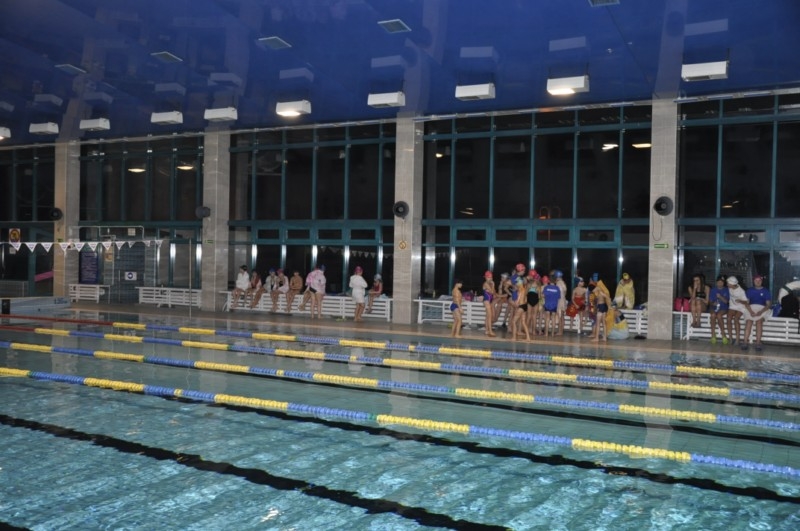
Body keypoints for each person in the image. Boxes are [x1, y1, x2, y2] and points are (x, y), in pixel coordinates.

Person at [742, 275, 771, 351]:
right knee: (749, 322)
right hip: (751, 308)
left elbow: (768, 305)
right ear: (753, 281)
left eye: (759, 280)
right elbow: (746, 303)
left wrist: (760, 312)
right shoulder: (749, 290)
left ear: (761, 281)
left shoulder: (766, 291)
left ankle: (758, 343)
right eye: (756, 280)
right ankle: (745, 342)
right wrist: (751, 311)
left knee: (759, 322)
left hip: (762, 308)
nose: (758, 282)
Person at [726, 276, 748, 345]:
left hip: (741, 306)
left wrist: (740, 301)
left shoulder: (741, 291)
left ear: (732, 284)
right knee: (728, 318)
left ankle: (737, 339)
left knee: (736, 319)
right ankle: (730, 338)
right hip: (732, 306)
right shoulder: (729, 288)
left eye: (728, 283)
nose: (727, 284)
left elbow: (746, 302)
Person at [708, 275, 729, 344]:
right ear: (716, 282)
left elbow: (726, 302)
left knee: (719, 316)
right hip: (714, 307)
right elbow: (710, 302)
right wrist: (713, 303)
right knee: (713, 315)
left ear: (724, 283)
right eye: (718, 282)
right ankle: (713, 334)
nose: (720, 283)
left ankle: (723, 335)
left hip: (723, 307)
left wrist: (720, 297)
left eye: (721, 282)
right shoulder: (713, 290)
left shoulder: (726, 290)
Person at [591, 277, 612, 342]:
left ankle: (596, 338)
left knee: (598, 323)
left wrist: (597, 288)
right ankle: (604, 338)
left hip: (600, 306)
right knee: (604, 323)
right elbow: (608, 298)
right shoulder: (603, 291)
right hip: (604, 306)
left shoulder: (599, 290)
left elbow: (592, 291)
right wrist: (609, 306)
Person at [481, 271, 497, 337]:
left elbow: (494, 293)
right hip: (486, 300)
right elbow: (492, 292)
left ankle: (486, 330)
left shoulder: (489, 284)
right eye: (489, 277)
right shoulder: (485, 284)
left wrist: (492, 288)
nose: (490, 279)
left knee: (487, 316)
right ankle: (490, 331)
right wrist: (493, 285)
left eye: (491, 277)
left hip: (489, 300)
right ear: (485, 278)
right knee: (490, 316)